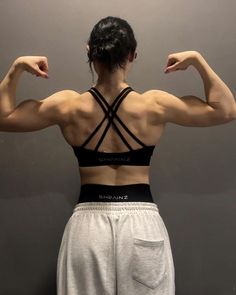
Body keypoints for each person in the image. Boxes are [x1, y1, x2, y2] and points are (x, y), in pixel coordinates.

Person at [0, 15, 235, 295]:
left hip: (88, 227)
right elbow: (226, 110)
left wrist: (15, 69)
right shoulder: (154, 105)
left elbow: (4, 117)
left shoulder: (67, 105)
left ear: (89, 52)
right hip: (142, 224)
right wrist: (197, 60)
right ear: (132, 54)